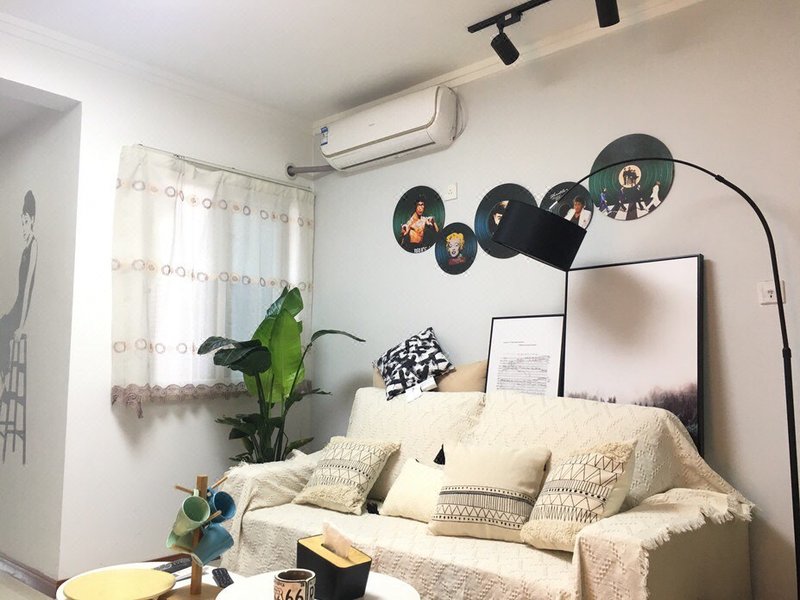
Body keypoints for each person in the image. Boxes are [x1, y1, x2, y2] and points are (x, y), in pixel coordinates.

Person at [0, 191, 38, 395]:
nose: (23, 227)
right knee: (1, 324)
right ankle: (3, 378)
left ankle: (4, 382)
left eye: (26, 222)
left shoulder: (34, 247)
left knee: (3, 328)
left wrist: (22, 325)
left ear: (32, 220)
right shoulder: (25, 250)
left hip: (23, 310)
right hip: (17, 306)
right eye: (21, 222)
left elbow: (27, 290)